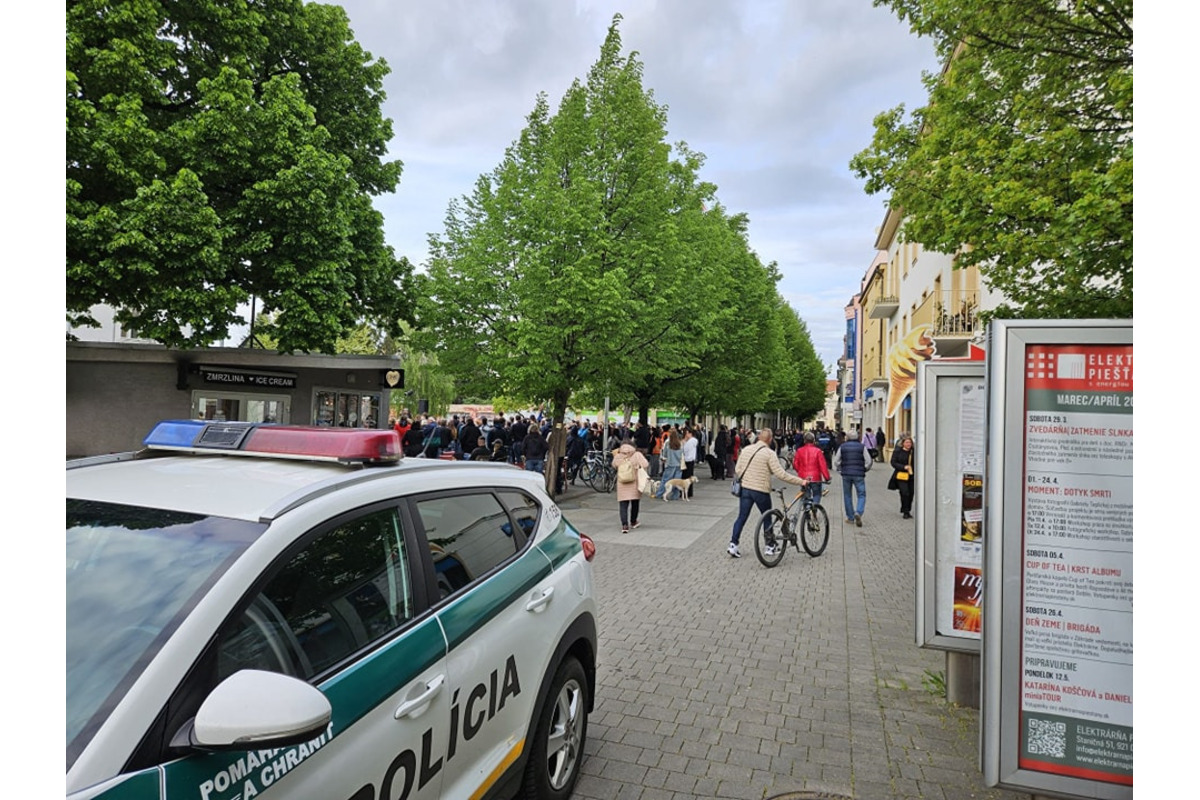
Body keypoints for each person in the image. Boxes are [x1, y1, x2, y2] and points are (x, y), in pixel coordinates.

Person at [728, 428, 808, 558]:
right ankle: (769, 546)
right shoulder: (769, 453)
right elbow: (781, 474)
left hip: (746, 489)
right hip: (761, 490)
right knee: (767, 517)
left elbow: (738, 469)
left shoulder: (746, 449)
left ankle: (733, 544)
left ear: (759, 437)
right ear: (770, 440)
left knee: (741, 517)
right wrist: (801, 481)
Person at [833, 431, 871, 527]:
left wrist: (840, 469)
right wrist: (865, 469)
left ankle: (850, 517)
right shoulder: (862, 447)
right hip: (859, 474)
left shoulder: (842, 447)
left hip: (846, 474)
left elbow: (836, 461)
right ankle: (858, 512)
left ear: (847, 437)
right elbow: (869, 461)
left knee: (847, 495)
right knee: (861, 494)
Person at [612, 438, 649, 534]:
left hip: (622, 483)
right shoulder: (637, 454)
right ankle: (633, 521)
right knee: (635, 503)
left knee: (623, 505)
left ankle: (624, 525)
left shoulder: (618, 455)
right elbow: (645, 464)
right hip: (634, 483)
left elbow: (614, 465)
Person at [792, 431, 830, 508]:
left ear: (804, 440)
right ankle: (814, 508)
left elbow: (795, 464)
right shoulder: (818, 451)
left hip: (803, 477)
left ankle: (807, 510)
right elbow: (823, 465)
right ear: (814, 440)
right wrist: (827, 477)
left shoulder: (799, 451)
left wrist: (800, 471)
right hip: (815, 477)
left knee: (806, 494)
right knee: (817, 494)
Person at [891, 434, 916, 519]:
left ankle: (908, 509)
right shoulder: (898, 451)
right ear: (903, 443)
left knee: (911, 494)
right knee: (905, 493)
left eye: (910, 442)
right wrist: (903, 467)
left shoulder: (914, 452)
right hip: (901, 476)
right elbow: (893, 462)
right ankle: (905, 511)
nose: (908, 444)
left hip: (911, 476)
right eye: (907, 442)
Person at [656, 430, 685, 500]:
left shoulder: (668, 443)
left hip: (670, 464)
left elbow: (664, 454)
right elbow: (683, 453)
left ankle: (660, 494)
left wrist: (664, 458)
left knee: (666, 480)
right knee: (677, 481)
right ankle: (675, 496)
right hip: (679, 464)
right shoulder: (680, 443)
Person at [681, 428, 699, 498]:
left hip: (687, 460)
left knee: (686, 476)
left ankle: (686, 492)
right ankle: (689, 492)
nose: (686, 435)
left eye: (686, 433)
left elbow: (684, 450)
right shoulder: (693, 441)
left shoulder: (690, 442)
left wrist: (684, 443)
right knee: (689, 476)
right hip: (691, 460)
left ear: (690, 433)